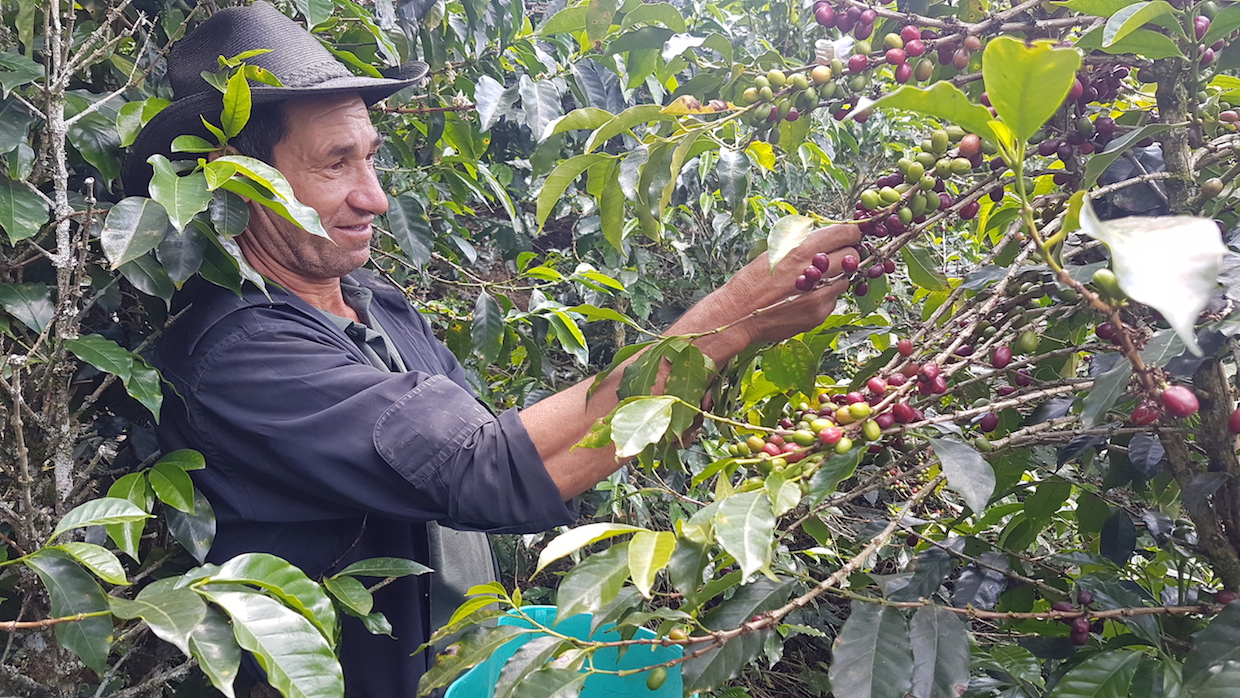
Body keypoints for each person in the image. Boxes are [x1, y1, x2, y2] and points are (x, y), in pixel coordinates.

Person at [124, 3, 860, 695]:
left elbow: (483, 440)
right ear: (242, 183)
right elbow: (489, 472)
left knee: (674, 662)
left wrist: (694, 374)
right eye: (334, 164)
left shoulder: (375, 304)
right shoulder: (239, 353)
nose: (374, 197)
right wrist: (729, 320)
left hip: (468, 647)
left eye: (370, 158)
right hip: (389, 681)